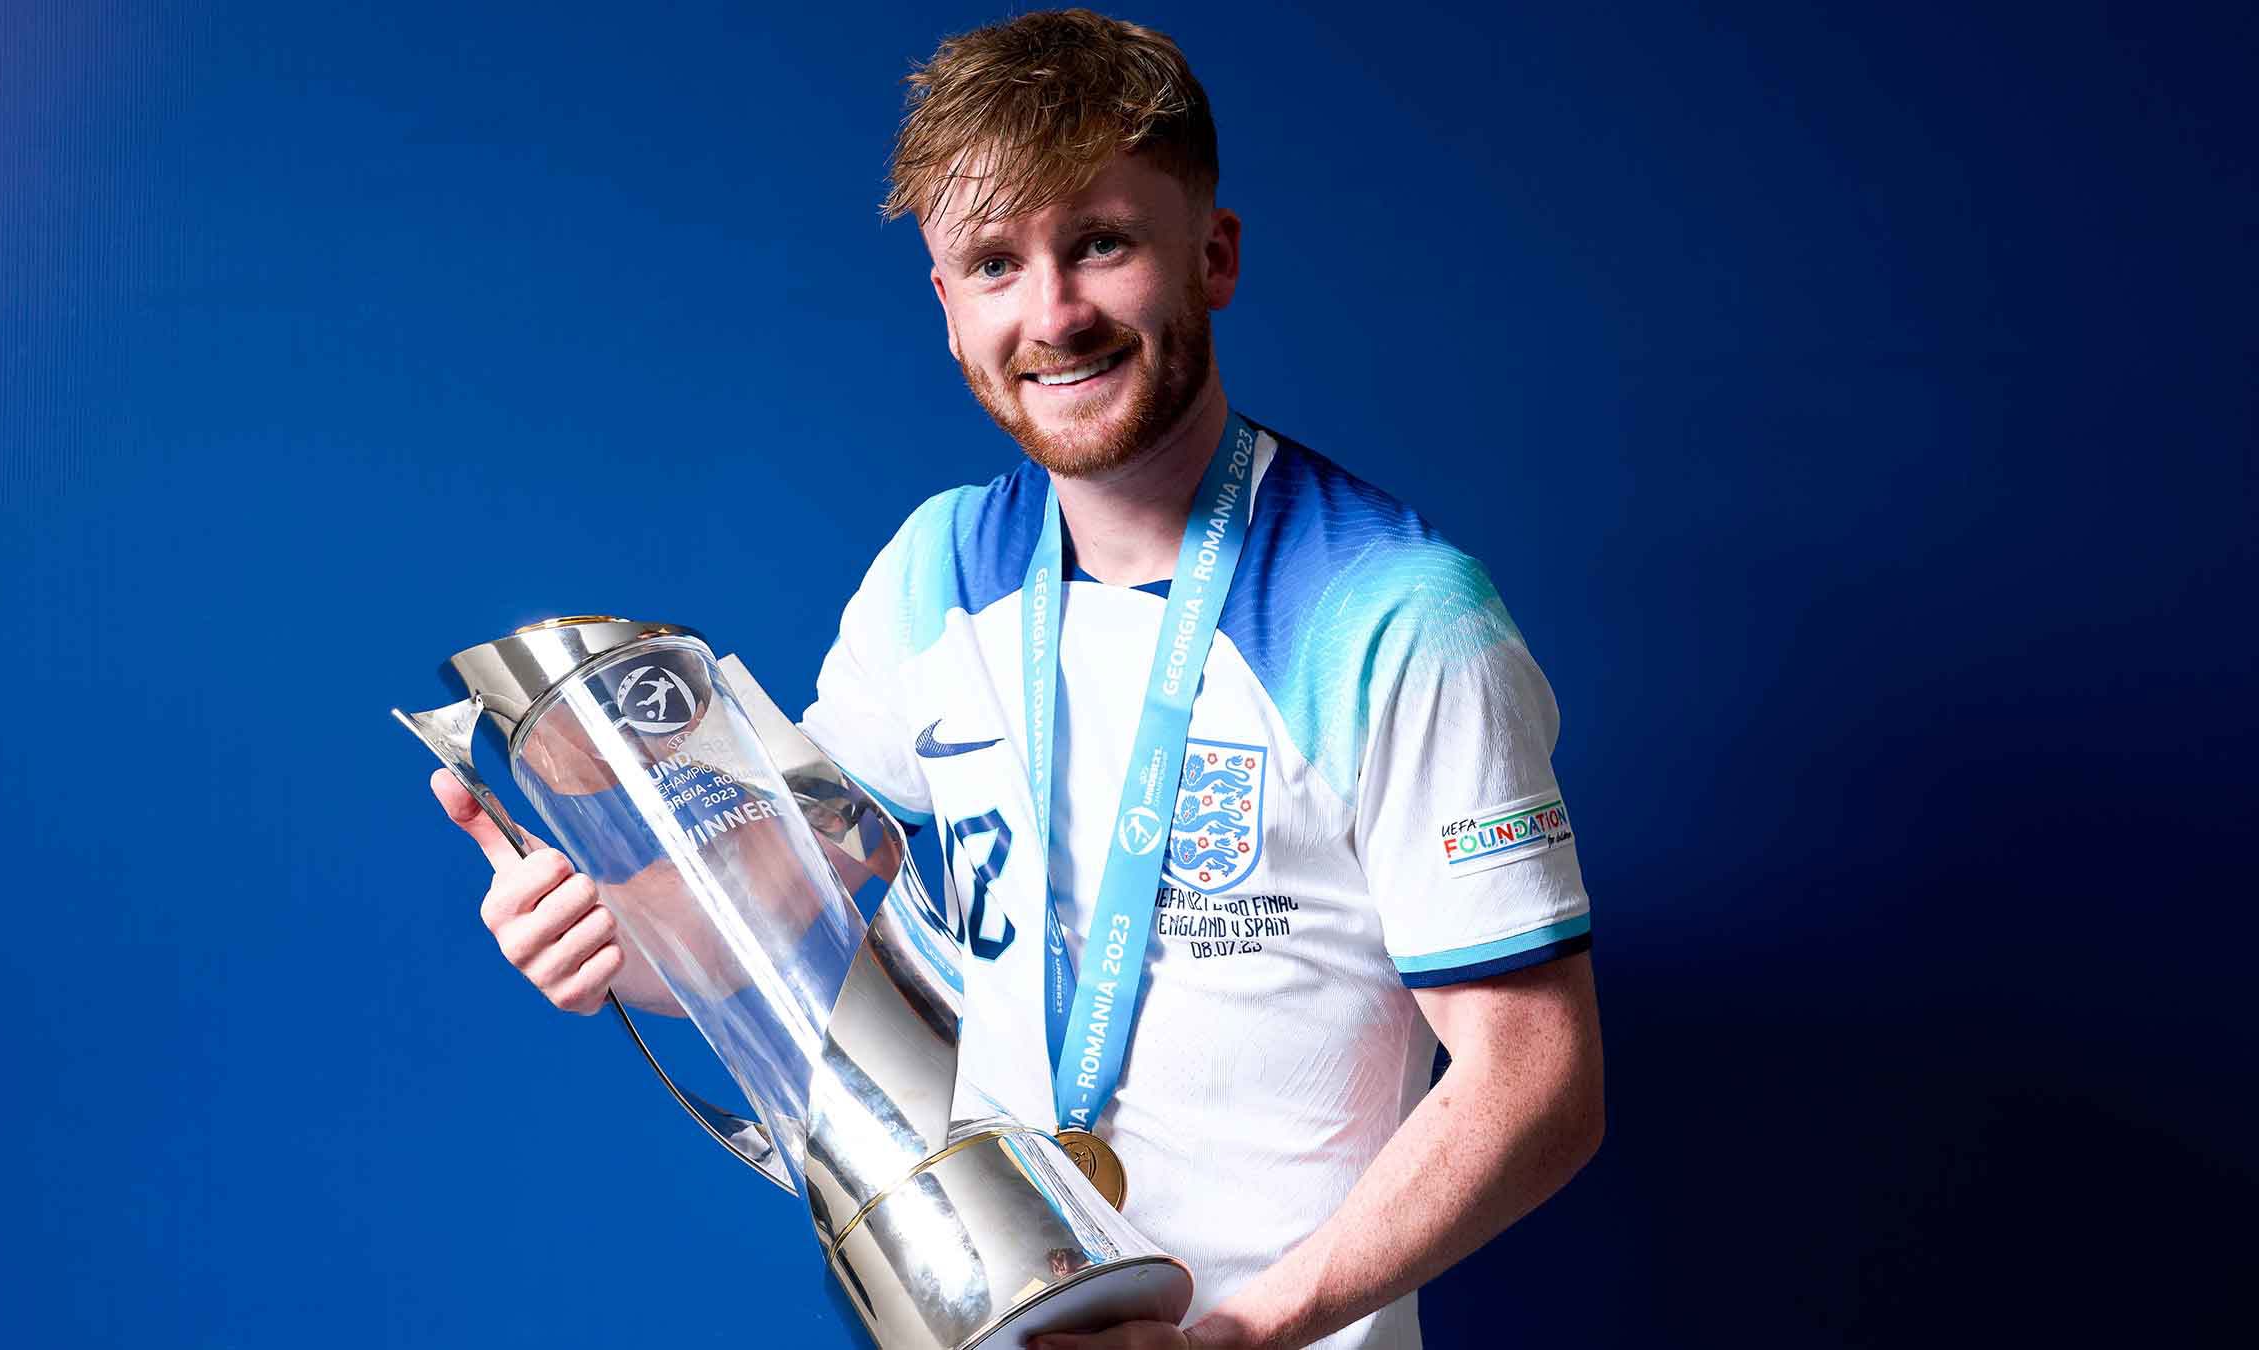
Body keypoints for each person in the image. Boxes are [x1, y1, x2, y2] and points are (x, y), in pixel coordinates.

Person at [433, 10, 1604, 1348]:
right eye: (995, 263)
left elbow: (1539, 1080)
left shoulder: (1393, 617)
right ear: (948, 308)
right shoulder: (935, 568)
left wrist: (1240, 1333)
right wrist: (602, 927)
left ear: (1212, 254)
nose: (1052, 315)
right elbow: (786, 911)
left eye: (1100, 242)